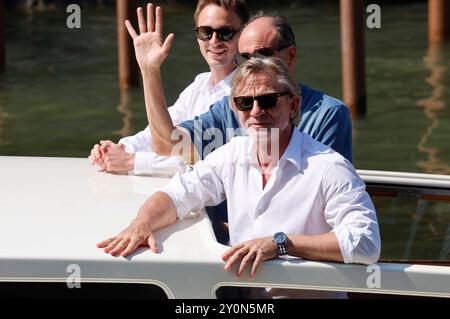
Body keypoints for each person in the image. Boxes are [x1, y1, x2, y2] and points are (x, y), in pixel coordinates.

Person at [97, 57, 381, 280]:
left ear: (293, 105)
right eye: (245, 102)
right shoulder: (232, 154)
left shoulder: (329, 168)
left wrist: (281, 244)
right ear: (235, 109)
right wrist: (142, 223)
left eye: (268, 100)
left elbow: (366, 244)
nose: (256, 111)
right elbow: (178, 194)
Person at [145, 13, 352, 165]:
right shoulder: (230, 109)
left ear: (290, 55)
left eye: (262, 55)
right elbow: (168, 146)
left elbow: (319, 195)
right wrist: (150, 71)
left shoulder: (328, 115)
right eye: (244, 58)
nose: (253, 65)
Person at [88, 1, 249, 175]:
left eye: (225, 32)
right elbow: (159, 132)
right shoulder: (200, 84)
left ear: (243, 34)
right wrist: (118, 149)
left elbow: (203, 161)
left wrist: (131, 161)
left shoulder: (249, 95)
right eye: (206, 32)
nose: (214, 40)